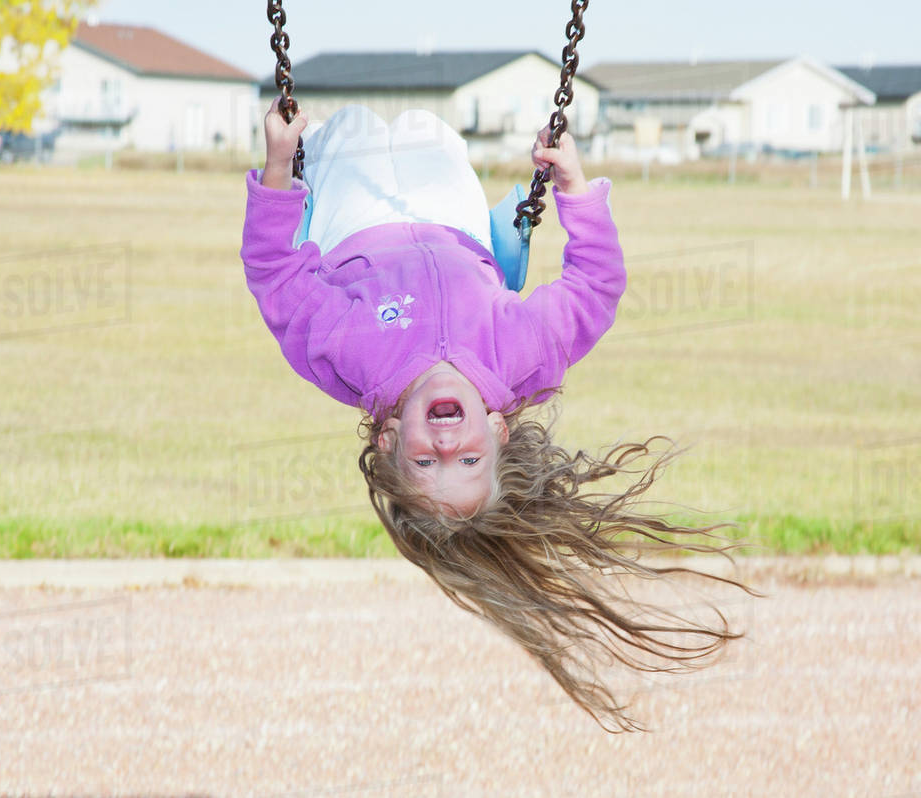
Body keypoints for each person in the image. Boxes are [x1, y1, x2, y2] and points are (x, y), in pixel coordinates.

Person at [241, 100, 755, 732]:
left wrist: (275, 170)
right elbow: (595, 291)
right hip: (452, 211)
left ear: (390, 437)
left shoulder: (352, 361)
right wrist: (574, 188)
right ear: (499, 429)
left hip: (353, 216)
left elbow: (276, 279)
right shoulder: (518, 360)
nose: (447, 439)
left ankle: (318, 141)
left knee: (350, 129)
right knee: (426, 128)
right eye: (470, 459)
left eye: (427, 460)